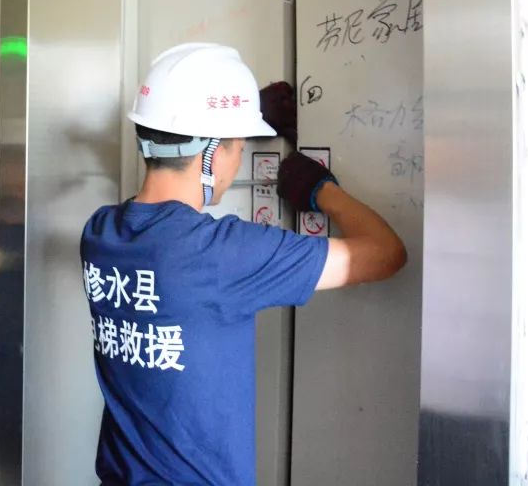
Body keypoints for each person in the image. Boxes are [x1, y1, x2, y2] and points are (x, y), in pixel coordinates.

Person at [81, 43, 407, 486]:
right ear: (214, 152)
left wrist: (239, 110)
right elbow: (387, 253)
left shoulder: (99, 233)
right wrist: (319, 190)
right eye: (239, 146)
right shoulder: (223, 254)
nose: (239, 159)